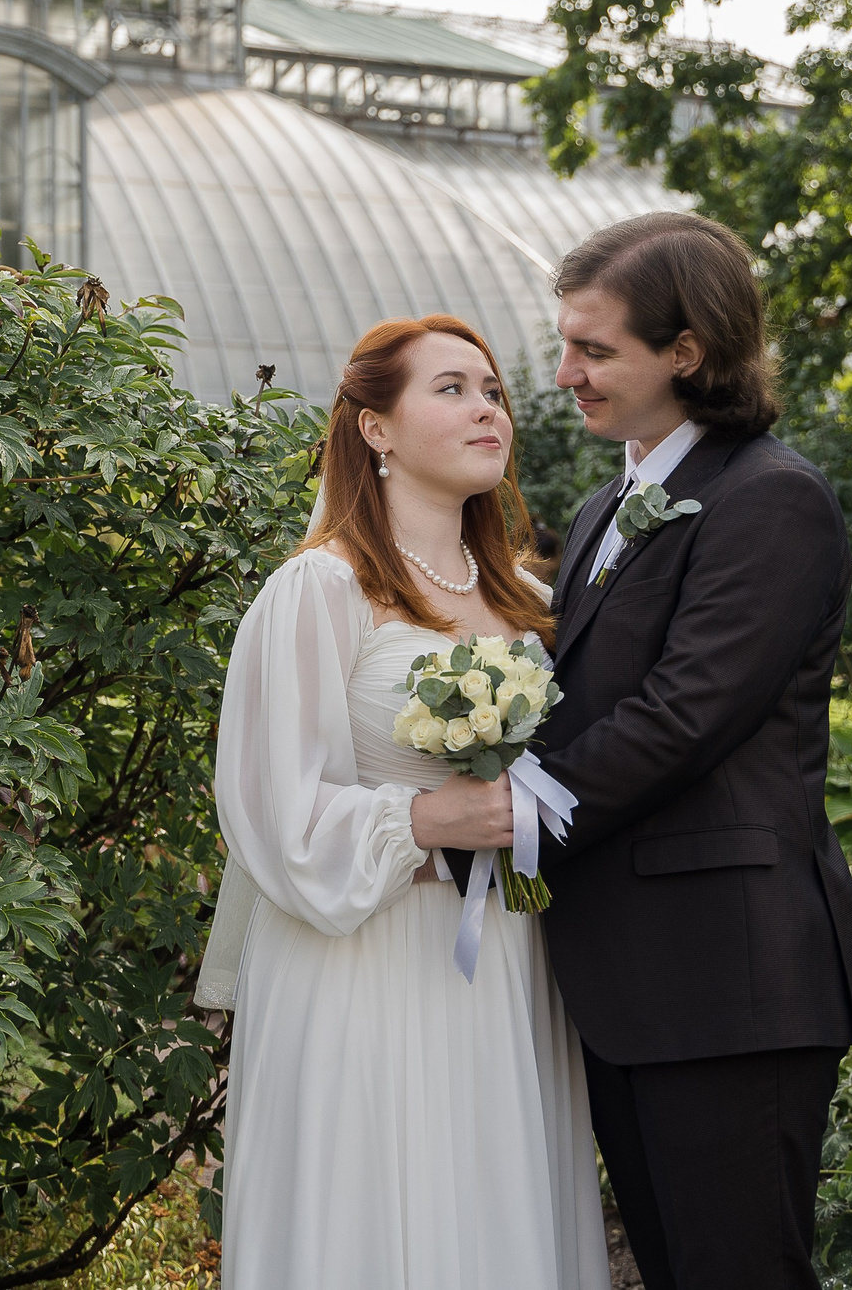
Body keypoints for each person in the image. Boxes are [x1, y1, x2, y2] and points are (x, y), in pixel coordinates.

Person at [198, 315, 611, 1290]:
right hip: (360, 958)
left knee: (496, 1204)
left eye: (492, 391)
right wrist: (422, 824)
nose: (485, 409)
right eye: (451, 389)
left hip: (503, 959)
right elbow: (267, 805)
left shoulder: (527, 598)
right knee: (371, 1219)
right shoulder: (317, 591)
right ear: (374, 429)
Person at [528, 212, 852, 1289]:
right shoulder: (603, 504)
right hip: (632, 979)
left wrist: (508, 815)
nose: (564, 373)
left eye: (594, 350)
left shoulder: (770, 498)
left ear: (687, 352)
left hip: (730, 981)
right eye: (564, 343)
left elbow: (683, 716)